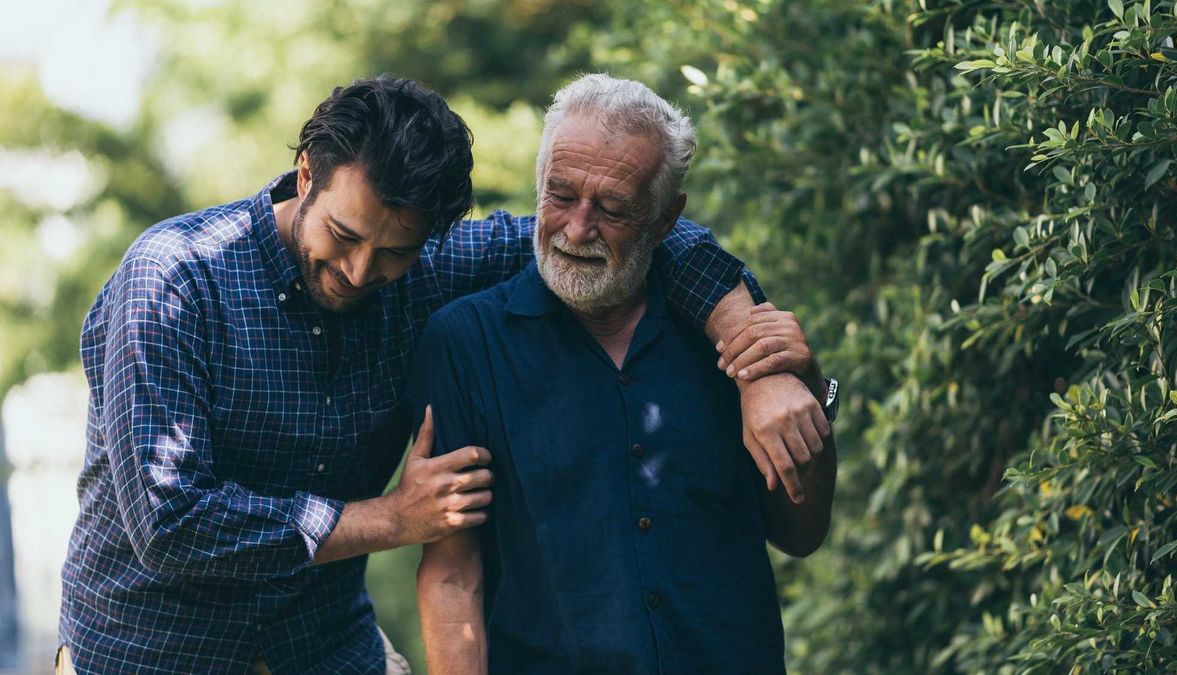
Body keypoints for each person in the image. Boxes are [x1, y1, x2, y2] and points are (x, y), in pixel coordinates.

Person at [58, 74, 824, 673]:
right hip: (150, 653)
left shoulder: (430, 266)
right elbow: (169, 522)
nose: (360, 271)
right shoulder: (174, 280)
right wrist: (393, 518)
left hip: (323, 653)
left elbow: (638, 236)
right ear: (306, 174)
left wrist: (754, 354)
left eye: (393, 251)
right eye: (344, 234)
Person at [409, 74, 839, 675]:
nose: (577, 229)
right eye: (560, 196)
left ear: (665, 220)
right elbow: (455, 571)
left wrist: (805, 391)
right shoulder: (466, 341)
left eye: (613, 209)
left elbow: (800, 534)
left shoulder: (732, 333)